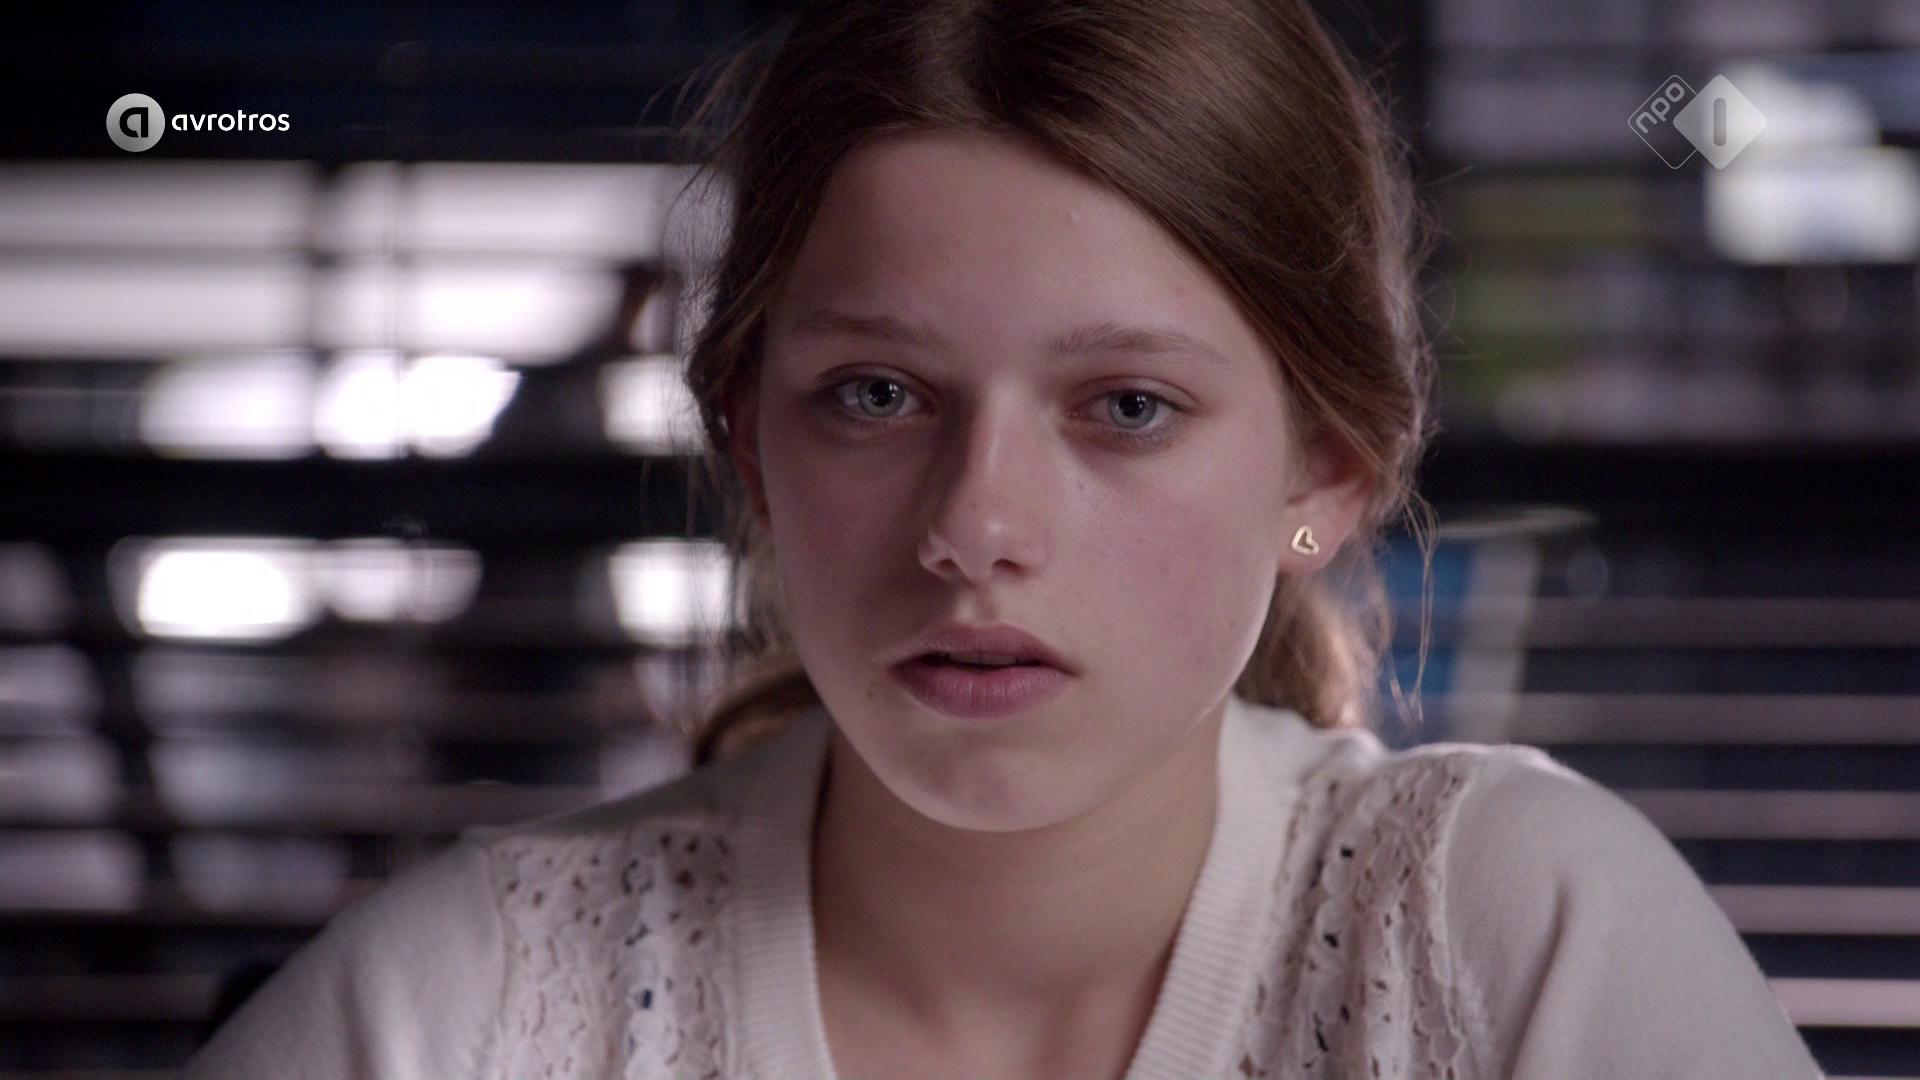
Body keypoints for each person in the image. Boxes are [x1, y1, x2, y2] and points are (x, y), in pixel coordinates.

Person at [180, 1, 1827, 1077]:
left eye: (1127, 408)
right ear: (750, 444)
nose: (973, 529)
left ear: (1326, 470)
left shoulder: (1516, 944)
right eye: (877, 395)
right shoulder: (457, 1013)